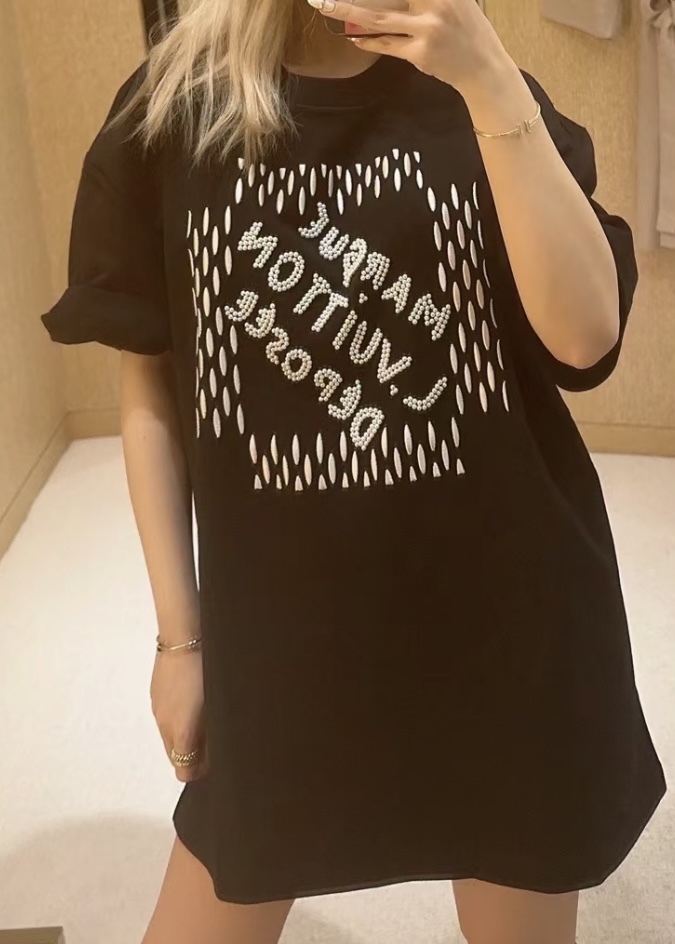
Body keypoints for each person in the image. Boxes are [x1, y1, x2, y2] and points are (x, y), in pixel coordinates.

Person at [40, 0, 666, 941]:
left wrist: (490, 80)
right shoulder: (173, 111)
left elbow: (584, 340)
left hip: (509, 630)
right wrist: (180, 643)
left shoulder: (487, 93)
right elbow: (154, 387)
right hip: (282, 646)